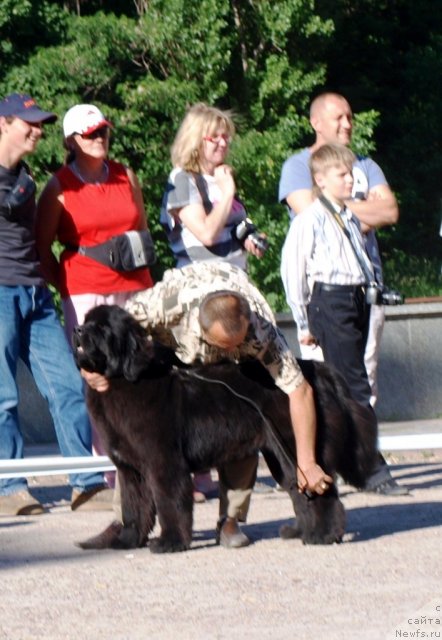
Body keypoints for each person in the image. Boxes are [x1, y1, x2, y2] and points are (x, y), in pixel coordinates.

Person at [82, 260, 333, 548]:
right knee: (141, 442)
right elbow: (106, 336)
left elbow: (300, 392)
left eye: (234, 344)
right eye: (221, 345)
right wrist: (88, 369)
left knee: (244, 419)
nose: (226, 352)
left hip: (240, 354)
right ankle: (127, 521)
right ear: (200, 327)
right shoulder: (159, 305)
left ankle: (231, 519)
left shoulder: (262, 332)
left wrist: (307, 462)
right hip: (175, 344)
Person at [0, 92, 113, 515]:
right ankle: (8, 487)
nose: (39, 129)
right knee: (3, 395)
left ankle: (85, 482)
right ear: (3, 125)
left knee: (68, 385)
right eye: (28, 122)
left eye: (41, 122)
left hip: (34, 293)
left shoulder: (27, 180)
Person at [36, 104, 154, 488]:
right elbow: (42, 248)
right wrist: (68, 287)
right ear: (72, 141)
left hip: (135, 285)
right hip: (85, 289)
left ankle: (148, 460)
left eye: (102, 131)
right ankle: (108, 467)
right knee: (98, 374)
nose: (99, 138)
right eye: (90, 134)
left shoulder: (125, 175)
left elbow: (141, 225)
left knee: (141, 369)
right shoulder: (58, 186)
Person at [281, 143, 407, 496]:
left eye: (351, 173)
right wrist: (304, 323)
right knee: (353, 385)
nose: (350, 180)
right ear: (320, 179)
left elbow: (360, 259)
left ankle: (343, 460)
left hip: (355, 297)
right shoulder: (311, 219)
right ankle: (370, 468)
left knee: (351, 381)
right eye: (342, 175)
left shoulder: (351, 217)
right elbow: (294, 270)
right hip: (330, 300)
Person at [160, 102, 266, 501]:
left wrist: (250, 237)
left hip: (234, 291)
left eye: (226, 136)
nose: (223, 143)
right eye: (214, 136)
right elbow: (204, 232)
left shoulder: (220, 180)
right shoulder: (182, 180)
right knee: (200, 384)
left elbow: (234, 226)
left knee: (235, 388)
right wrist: (228, 193)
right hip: (199, 297)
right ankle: (192, 476)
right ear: (195, 139)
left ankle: (231, 495)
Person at [279, 92, 399, 407]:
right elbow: (314, 215)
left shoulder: (366, 164)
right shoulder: (298, 166)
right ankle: (338, 447)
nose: (348, 124)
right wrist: (357, 208)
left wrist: (341, 207)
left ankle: (366, 445)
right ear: (316, 122)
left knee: (366, 373)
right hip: (328, 295)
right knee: (331, 379)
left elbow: (389, 211)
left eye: (350, 116)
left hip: (368, 286)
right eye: (339, 118)